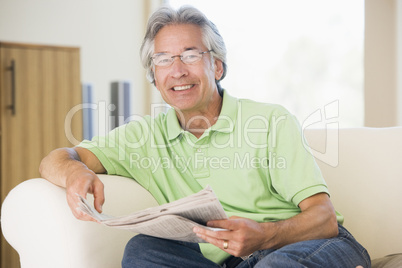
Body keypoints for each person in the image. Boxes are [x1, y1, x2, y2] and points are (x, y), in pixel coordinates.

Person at [39, 5, 371, 268]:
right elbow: (56, 158)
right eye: (164, 59)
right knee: (141, 251)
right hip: (227, 262)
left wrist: (266, 235)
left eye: (191, 54)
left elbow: (324, 219)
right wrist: (75, 171)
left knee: (277, 265)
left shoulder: (270, 121)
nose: (178, 70)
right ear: (154, 76)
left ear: (218, 67)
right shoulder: (143, 137)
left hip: (304, 248)